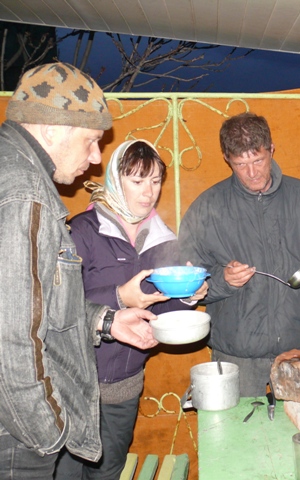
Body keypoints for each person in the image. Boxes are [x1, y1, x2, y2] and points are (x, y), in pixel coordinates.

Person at [0, 62, 158, 480]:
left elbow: (42, 304)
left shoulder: (13, 170)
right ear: (51, 129)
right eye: (90, 141)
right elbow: (11, 340)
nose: (95, 157)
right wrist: (51, 432)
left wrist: (106, 320)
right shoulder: (24, 192)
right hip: (15, 439)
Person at [53, 139, 208, 479]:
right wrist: (119, 296)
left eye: (155, 181)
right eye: (137, 180)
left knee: (108, 471)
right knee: (64, 474)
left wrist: (188, 297)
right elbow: (56, 302)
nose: (148, 192)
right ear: (115, 179)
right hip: (72, 386)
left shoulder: (163, 239)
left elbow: (160, 308)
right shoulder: (83, 231)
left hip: (123, 386)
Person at [178, 112, 300, 397]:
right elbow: (187, 285)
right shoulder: (207, 208)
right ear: (226, 159)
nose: (252, 173)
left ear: (271, 149)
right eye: (241, 164)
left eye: (258, 160)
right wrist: (224, 281)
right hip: (237, 356)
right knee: (236, 427)